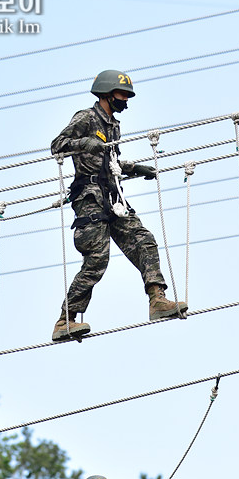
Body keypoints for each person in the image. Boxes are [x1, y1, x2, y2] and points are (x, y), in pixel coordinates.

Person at [50, 69, 188, 341]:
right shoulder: (86, 118)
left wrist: (135, 168)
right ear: (107, 93)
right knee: (97, 259)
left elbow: (110, 163)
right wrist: (85, 143)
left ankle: (157, 300)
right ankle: (65, 320)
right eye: (122, 94)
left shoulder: (113, 126)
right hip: (89, 197)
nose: (125, 100)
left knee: (144, 240)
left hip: (112, 196)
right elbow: (58, 145)